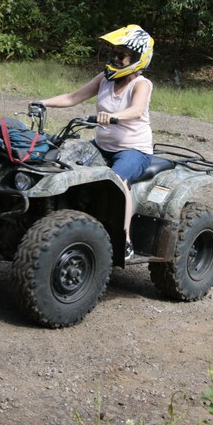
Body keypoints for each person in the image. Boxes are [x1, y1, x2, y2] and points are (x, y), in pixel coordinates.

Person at [38, 24, 154, 259]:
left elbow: (136, 110)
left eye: (122, 55)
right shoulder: (105, 78)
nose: (115, 59)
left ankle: (126, 240)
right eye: (114, 54)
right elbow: (73, 97)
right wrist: (43, 103)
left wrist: (114, 117)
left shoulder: (141, 84)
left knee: (117, 181)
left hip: (133, 150)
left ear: (138, 58)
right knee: (61, 161)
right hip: (102, 146)